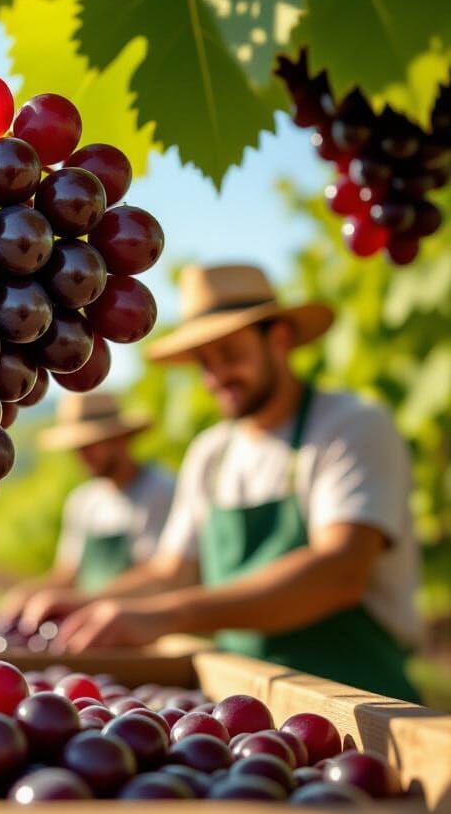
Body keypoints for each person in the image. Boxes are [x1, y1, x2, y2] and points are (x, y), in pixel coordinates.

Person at [56, 264, 422, 700]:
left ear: (280, 339)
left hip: (359, 701)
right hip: (244, 698)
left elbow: (339, 571)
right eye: (204, 364)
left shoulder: (350, 426)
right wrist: (87, 603)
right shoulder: (211, 454)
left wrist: (169, 616)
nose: (216, 378)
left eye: (230, 354)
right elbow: (171, 571)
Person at [0, 392, 174, 631]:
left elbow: (158, 577)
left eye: (91, 445)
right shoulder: (84, 501)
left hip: (145, 629)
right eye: (77, 448)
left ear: (120, 439)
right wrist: (30, 592)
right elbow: (68, 574)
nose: (82, 456)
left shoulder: (159, 490)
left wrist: (84, 601)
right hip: (96, 626)